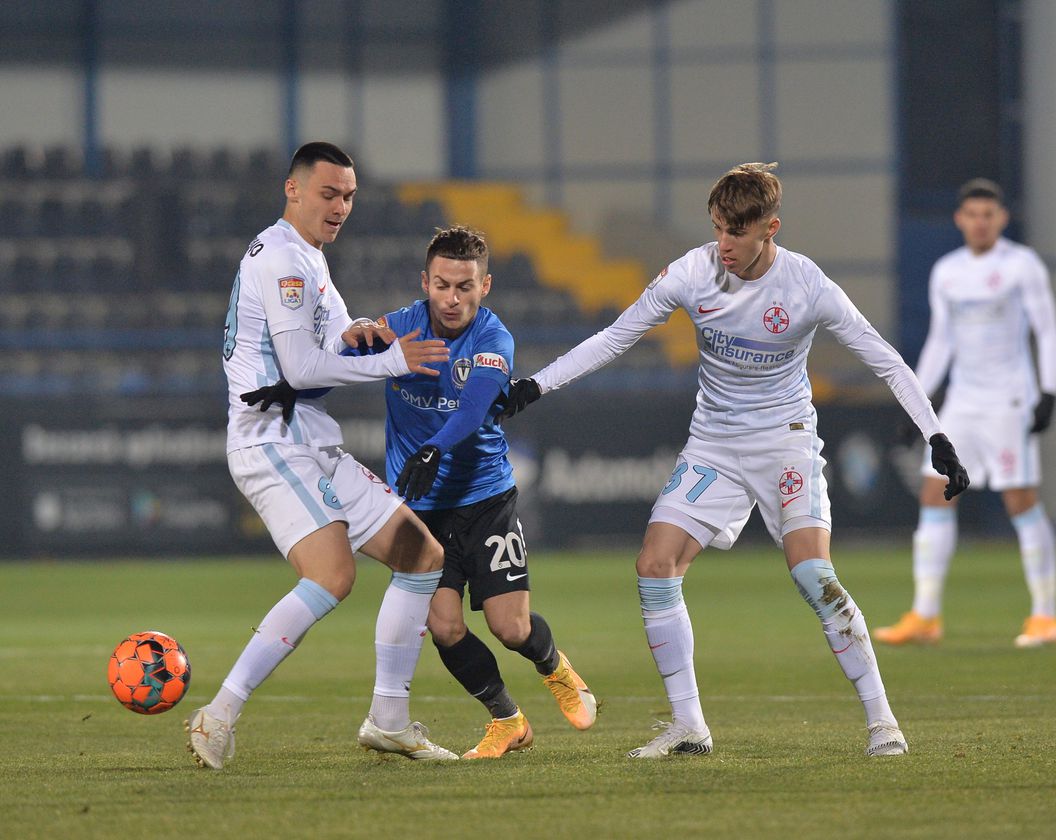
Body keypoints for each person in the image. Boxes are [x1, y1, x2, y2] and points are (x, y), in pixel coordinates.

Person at [499, 163, 969, 759]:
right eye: (718, 228)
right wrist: (534, 387)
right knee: (654, 564)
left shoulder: (808, 286)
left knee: (813, 576)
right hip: (714, 444)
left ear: (770, 228)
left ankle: (883, 724)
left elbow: (886, 360)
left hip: (786, 442)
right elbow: (616, 336)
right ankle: (689, 726)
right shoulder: (692, 273)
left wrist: (936, 435)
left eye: (737, 234)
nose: (724, 244)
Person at [249, 226, 599, 759]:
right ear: (425, 282)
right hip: (420, 508)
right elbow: (350, 366)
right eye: (442, 285)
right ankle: (507, 720)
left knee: (510, 626)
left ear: (486, 287)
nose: (452, 298)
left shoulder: (492, 339)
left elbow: (473, 409)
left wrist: (432, 449)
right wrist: (295, 387)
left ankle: (554, 667)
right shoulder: (400, 327)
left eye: (465, 287)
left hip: (485, 499)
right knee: (443, 625)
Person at [189, 141, 457, 770]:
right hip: (271, 439)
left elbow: (334, 341)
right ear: (294, 189)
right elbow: (304, 366)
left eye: (350, 196)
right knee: (333, 575)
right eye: (329, 193)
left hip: (310, 437)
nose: (341, 206)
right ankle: (218, 714)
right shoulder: (283, 259)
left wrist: (364, 334)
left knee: (422, 555)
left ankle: (388, 719)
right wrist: (394, 362)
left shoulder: (308, 258)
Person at [873, 178, 1056, 649]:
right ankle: (926, 615)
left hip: (1009, 401)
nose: (980, 222)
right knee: (933, 495)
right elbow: (942, 340)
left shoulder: (1022, 266)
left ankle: (1045, 616)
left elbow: (1049, 331)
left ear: (1001, 218)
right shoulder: (947, 271)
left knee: (1020, 500)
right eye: (972, 215)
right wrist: (917, 400)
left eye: (989, 215)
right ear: (960, 219)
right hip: (963, 401)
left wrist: (1049, 392)